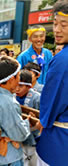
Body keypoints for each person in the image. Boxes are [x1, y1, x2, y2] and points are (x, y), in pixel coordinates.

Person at [0, 56, 31, 166]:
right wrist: (28, 122)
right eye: (18, 76)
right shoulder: (8, 103)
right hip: (8, 155)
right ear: (11, 79)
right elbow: (19, 134)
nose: (19, 80)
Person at [36, 2, 68, 166]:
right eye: (55, 24)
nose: (57, 30)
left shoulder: (62, 60)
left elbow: (53, 100)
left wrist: (43, 120)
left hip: (60, 142)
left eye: (64, 25)